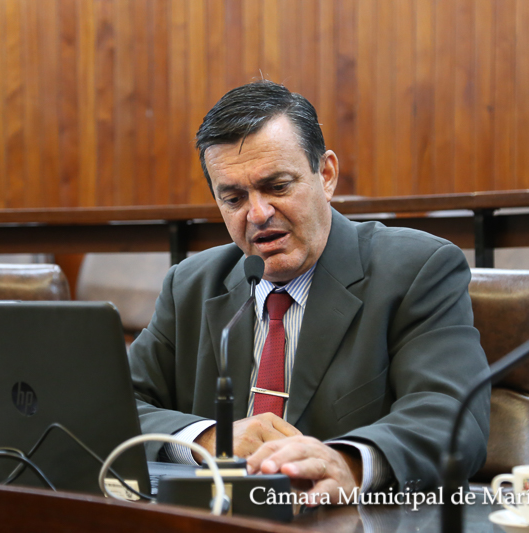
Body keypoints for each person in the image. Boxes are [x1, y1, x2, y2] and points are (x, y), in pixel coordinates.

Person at [128, 80, 490, 503]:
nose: (258, 213)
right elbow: (112, 404)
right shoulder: (190, 284)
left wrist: (350, 463)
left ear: (327, 175)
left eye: (277, 186)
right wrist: (208, 438)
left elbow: (451, 416)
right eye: (234, 198)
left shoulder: (416, 269)